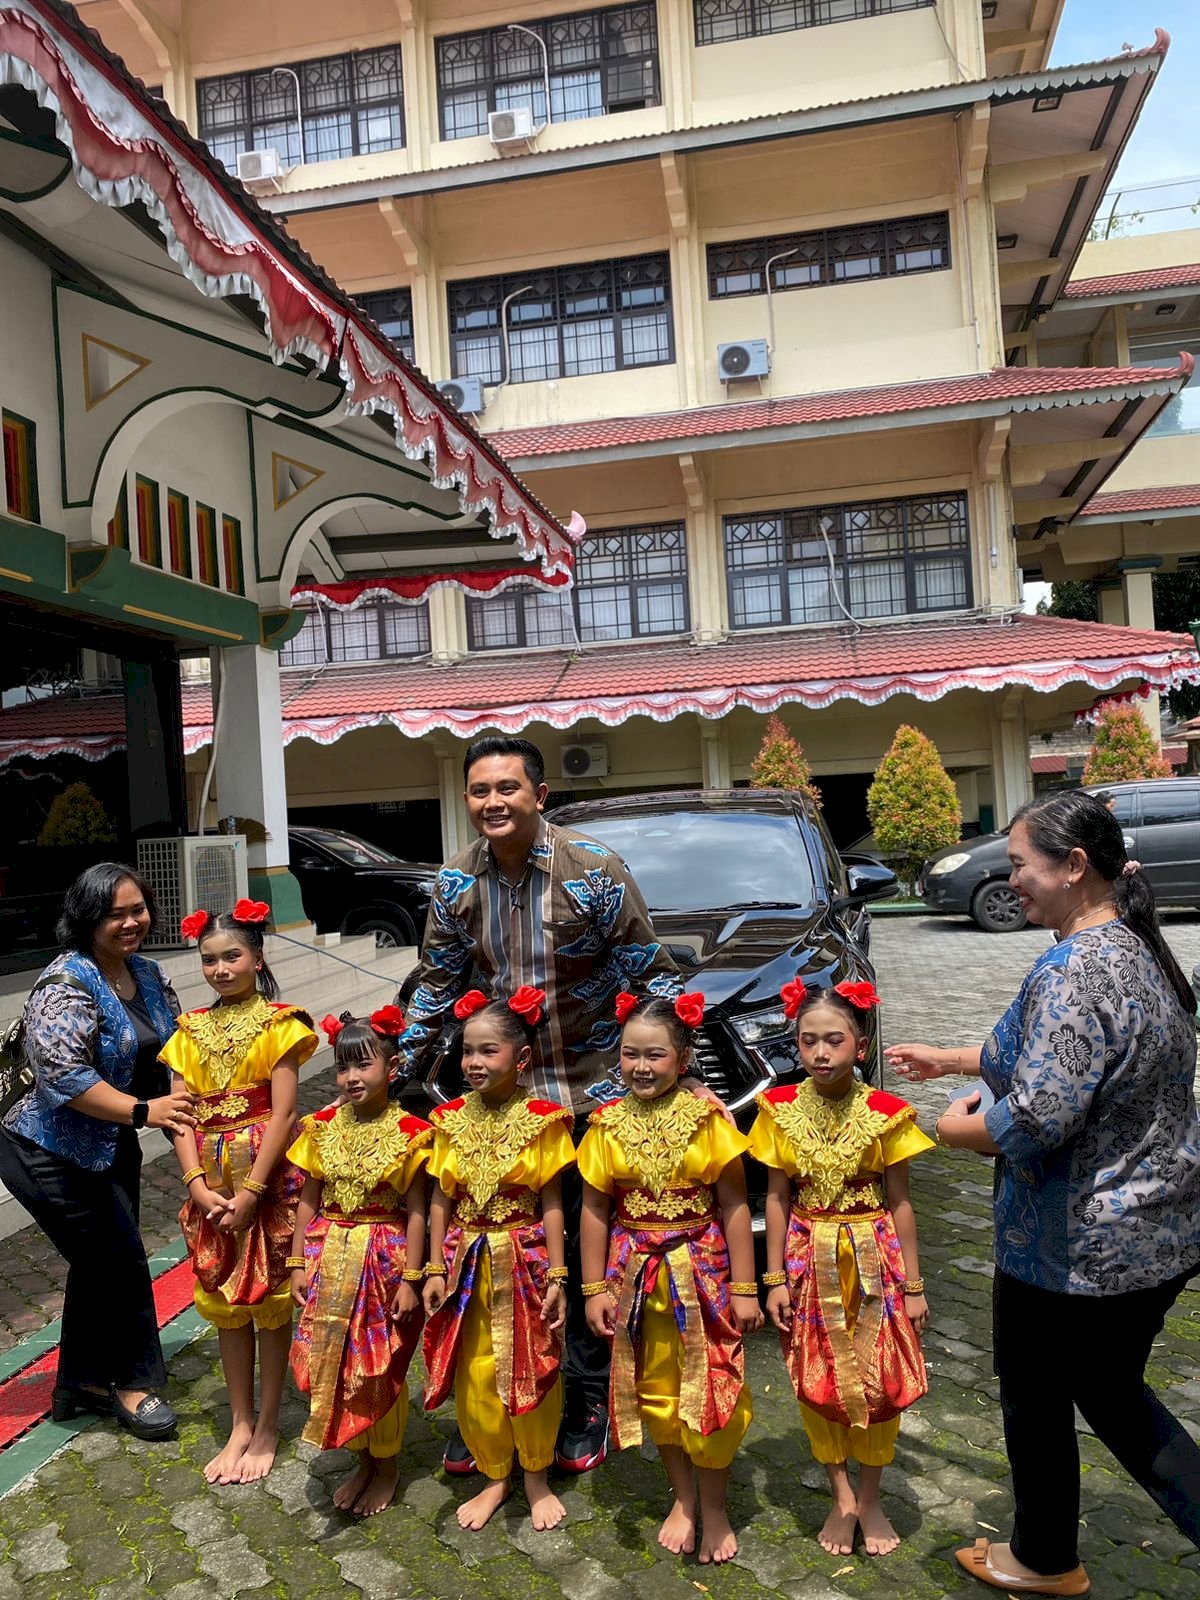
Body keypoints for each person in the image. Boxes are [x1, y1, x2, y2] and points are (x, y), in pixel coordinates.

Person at [887, 789, 1200, 1597]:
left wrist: (951, 1132)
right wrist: (954, 1061)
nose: (1009, 877)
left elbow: (1034, 1115)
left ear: (1074, 866)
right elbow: (1061, 1060)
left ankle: (1043, 1559)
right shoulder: (1131, 947)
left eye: (1021, 864)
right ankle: (1047, 1553)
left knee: (1044, 1400)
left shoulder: (1072, 969)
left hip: (1074, 1251)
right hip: (1156, 1234)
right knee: (1107, 1393)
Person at [396, 734, 698, 1475]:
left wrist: (680, 1075)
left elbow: (648, 976)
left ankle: (586, 1402)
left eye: (507, 789)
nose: (493, 803)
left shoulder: (594, 871)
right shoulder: (454, 885)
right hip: (506, 1105)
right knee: (504, 1257)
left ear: (539, 795)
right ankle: (497, 1401)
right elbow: (435, 986)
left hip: (596, 1092)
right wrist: (389, 1073)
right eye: (479, 791)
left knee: (585, 1259)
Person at [0, 862, 194, 1439]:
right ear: (86, 920)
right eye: (116, 914)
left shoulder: (151, 973)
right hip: (44, 1147)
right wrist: (144, 1112)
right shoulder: (64, 985)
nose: (132, 922)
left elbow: (175, 1051)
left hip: (109, 1143)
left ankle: (80, 1383)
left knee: (98, 1262)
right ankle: (134, 1384)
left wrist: (179, 1108)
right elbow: (66, 1079)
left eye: (139, 909)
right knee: (121, 1259)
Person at [578, 992, 762, 1565]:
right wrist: (591, 1288)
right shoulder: (605, 1125)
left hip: (702, 1277)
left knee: (710, 1387)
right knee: (655, 1393)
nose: (640, 1067)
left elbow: (734, 1204)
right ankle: (681, 1497)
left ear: (682, 1059)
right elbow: (594, 1209)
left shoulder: (709, 1119)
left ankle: (713, 1506)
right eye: (630, 1054)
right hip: (632, 1279)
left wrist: (746, 1286)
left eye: (654, 1054)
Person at [750, 979, 931, 1559]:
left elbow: (900, 1201)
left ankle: (872, 1495)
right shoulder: (777, 1111)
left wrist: (916, 1286)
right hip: (807, 1259)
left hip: (874, 1262)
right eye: (808, 1042)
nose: (821, 1054)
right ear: (796, 1046)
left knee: (878, 1376)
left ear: (862, 1042)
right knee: (816, 1372)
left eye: (834, 1040)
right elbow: (776, 1198)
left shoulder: (887, 1114)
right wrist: (773, 1277)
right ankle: (840, 1492)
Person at [164, 900, 317, 1484]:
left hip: (267, 1179)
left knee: (271, 1302)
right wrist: (196, 1186)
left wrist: (253, 1189)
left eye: (232, 956)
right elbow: (180, 1116)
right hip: (210, 1178)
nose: (221, 968)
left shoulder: (282, 1023)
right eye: (209, 960)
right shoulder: (187, 1033)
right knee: (228, 1305)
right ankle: (239, 1422)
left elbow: (284, 1113)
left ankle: (272, 1421)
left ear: (257, 957)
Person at [422, 988, 573, 1533]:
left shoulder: (543, 1120)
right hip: (465, 1261)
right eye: (468, 1051)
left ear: (522, 1059)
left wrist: (559, 1273)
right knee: (476, 1368)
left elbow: (553, 1202)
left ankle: (536, 1475)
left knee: (531, 1364)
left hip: (525, 1259)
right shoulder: (448, 1120)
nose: (474, 1063)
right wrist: (435, 1268)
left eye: (489, 1051)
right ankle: (494, 1475)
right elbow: (441, 1196)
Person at [288, 1009, 431, 1518]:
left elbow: (417, 1211)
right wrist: (297, 1261)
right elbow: (308, 1198)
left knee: (380, 1362)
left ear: (391, 1069)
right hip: (329, 1256)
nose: (351, 1077)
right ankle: (361, 1458)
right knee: (335, 1358)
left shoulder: (413, 1131)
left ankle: (387, 1466)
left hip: (383, 1263)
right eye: (342, 1067)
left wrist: (413, 1279)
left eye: (363, 1065)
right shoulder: (322, 1127)